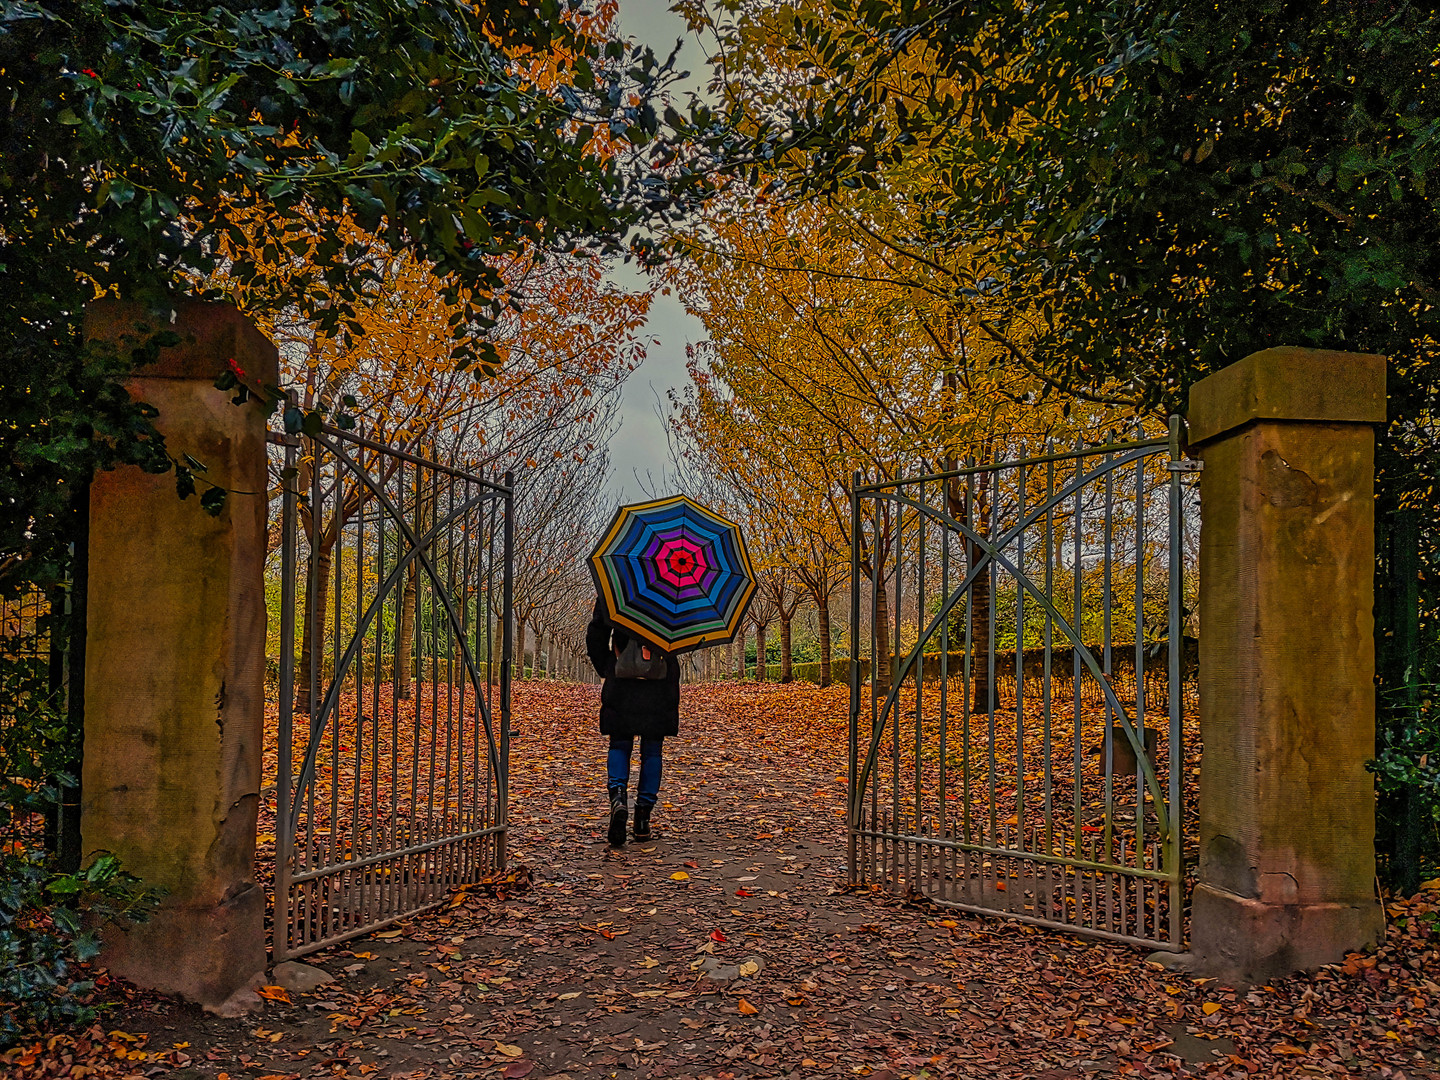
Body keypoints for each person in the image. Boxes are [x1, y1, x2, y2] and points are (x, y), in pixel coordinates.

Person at [585, 595, 680, 847]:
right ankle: (642, 820)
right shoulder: (676, 593)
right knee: (652, 751)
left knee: (619, 744)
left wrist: (608, 666)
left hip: (622, 678)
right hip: (659, 682)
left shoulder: (616, 589)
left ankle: (618, 799)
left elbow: (596, 634)